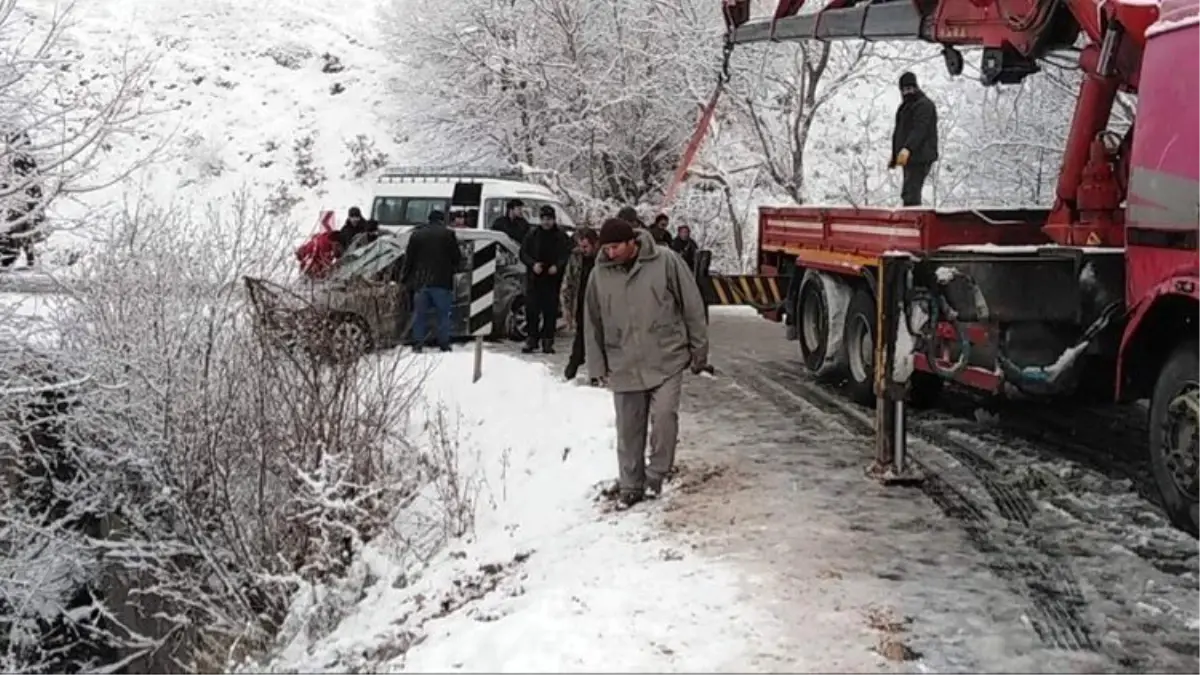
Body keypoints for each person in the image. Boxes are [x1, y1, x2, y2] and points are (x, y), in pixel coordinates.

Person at [584, 218, 709, 509]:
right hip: (623, 360)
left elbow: (692, 304)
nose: (610, 253)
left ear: (632, 242)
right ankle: (631, 485)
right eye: (606, 248)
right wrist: (596, 366)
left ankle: (656, 474)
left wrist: (699, 350)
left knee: (665, 417)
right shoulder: (599, 274)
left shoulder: (665, 260)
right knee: (628, 428)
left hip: (666, 356)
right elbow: (591, 322)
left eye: (615, 247)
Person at [401, 210, 462, 353]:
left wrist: (406, 278)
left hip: (421, 282)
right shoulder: (448, 235)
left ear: (428, 220)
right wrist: (453, 269)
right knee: (443, 315)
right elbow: (457, 258)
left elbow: (409, 259)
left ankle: (418, 343)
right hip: (442, 282)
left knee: (419, 315)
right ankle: (444, 343)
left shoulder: (416, 235)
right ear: (441, 220)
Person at [519, 204, 571, 354]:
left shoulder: (560, 236)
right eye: (544, 219)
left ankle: (548, 341)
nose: (546, 222)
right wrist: (532, 264)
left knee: (550, 312)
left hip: (552, 280)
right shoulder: (532, 234)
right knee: (532, 310)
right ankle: (532, 339)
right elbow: (523, 253)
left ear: (554, 220)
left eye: (549, 219)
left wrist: (558, 266)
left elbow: (566, 254)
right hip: (535, 279)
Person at [890, 71, 939, 207]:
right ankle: (911, 216)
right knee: (908, 191)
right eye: (905, 89)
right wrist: (895, 155)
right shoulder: (905, 107)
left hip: (920, 155)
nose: (908, 92)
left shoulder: (924, 105)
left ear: (916, 87)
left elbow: (920, 130)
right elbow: (899, 132)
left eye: (910, 88)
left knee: (911, 191)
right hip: (909, 157)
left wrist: (907, 148)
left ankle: (914, 220)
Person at [563, 227, 599, 383]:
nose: (583, 250)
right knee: (581, 336)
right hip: (581, 302)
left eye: (586, 246)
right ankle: (574, 365)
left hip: (598, 305)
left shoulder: (602, 260)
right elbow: (568, 282)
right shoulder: (576, 258)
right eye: (581, 246)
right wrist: (567, 308)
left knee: (597, 339)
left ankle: (597, 372)